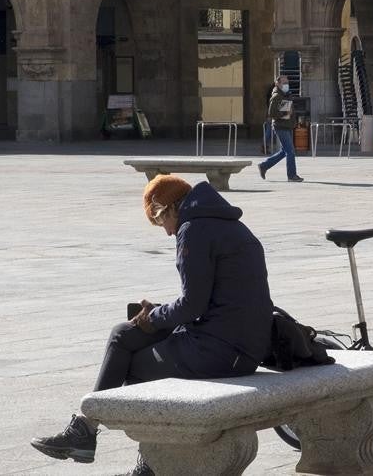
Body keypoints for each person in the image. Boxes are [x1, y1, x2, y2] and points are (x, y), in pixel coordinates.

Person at [30, 175, 273, 472]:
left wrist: (155, 317)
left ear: (168, 209)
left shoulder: (192, 229)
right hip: (239, 343)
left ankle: (139, 461)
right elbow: (207, 299)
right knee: (123, 334)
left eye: (160, 223)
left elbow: (193, 305)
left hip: (223, 351)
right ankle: (87, 428)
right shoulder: (226, 223)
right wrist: (156, 315)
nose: (167, 233)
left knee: (132, 368)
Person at [257, 76, 303, 182]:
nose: (286, 84)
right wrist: (285, 113)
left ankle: (264, 166)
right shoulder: (276, 96)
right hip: (280, 126)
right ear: (277, 84)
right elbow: (271, 113)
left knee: (284, 151)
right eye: (284, 83)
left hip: (288, 125)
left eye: (287, 82)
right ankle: (291, 175)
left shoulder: (286, 94)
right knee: (290, 151)